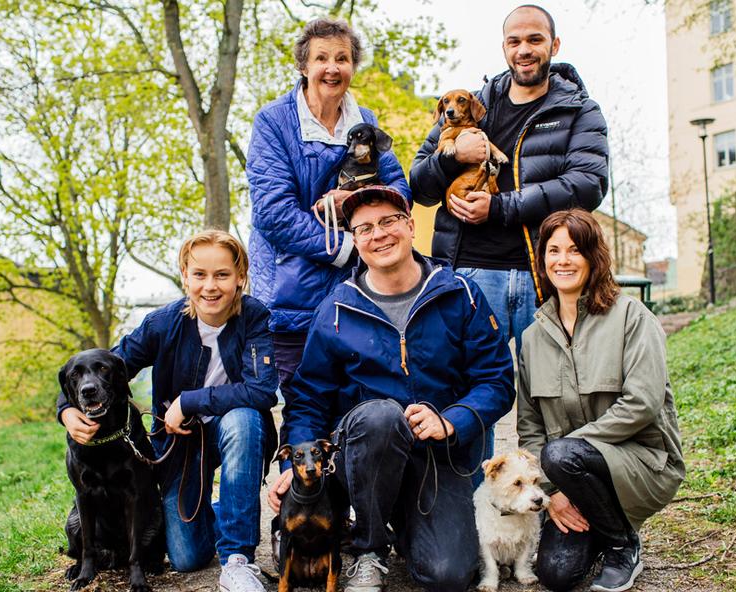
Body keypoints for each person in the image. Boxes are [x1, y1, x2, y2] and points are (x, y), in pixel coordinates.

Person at [268, 186, 514, 592]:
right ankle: (369, 550)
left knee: (448, 575)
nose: (378, 234)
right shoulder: (336, 310)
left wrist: (451, 420)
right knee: (381, 415)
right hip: (364, 456)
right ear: (355, 240)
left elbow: (497, 379)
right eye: (364, 228)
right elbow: (306, 398)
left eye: (388, 221)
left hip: (437, 459)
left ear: (410, 226)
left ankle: (406, 525)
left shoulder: (460, 294)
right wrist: (290, 467)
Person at [59, 230, 277, 592]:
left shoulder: (254, 317)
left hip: (237, 431)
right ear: (185, 277)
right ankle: (224, 514)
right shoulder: (165, 321)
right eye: (200, 275)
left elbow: (262, 389)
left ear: (241, 277)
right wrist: (66, 408)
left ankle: (239, 559)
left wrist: (188, 401)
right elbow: (108, 367)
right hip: (181, 445)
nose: (210, 286)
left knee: (243, 418)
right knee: (186, 557)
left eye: (222, 275)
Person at [409, 4, 609, 355]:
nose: (524, 50)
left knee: (556, 393)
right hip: (471, 275)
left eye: (535, 39)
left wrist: (500, 208)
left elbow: (588, 184)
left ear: (555, 45)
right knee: (469, 393)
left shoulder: (580, 109)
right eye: (514, 41)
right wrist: (454, 156)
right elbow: (420, 187)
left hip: (545, 277)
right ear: (504, 48)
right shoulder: (471, 107)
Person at [516, 209, 684, 592]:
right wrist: (553, 493)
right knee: (556, 575)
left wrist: (565, 453)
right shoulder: (531, 338)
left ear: (594, 257)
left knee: (561, 453)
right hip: (570, 473)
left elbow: (643, 402)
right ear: (542, 260)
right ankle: (601, 528)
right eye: (553, 250)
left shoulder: (631, 317)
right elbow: (529, 426)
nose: (562, 260)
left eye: (575, 250)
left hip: (643, 461)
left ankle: (624, 546)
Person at [246, 17, 411, 407]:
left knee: (353, 412)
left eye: (343, 58)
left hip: (355, 295)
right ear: (304, 66)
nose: (332, 68)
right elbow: (273, 213)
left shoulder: (364, 121)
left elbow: (399, 191)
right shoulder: (274, 122)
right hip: (291, 297)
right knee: (304, 414)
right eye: (322, 58)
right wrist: (350, 247)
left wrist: (355, 197)